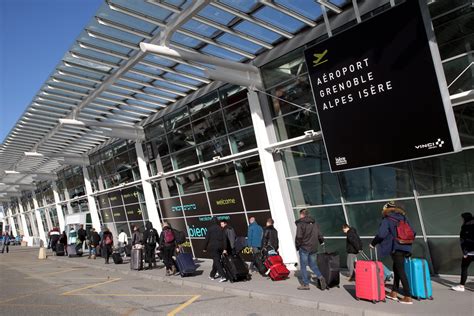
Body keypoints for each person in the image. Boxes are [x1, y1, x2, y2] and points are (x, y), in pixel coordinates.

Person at [370, 201, 415, 304]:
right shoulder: (404, 218)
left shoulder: (387, 219)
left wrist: (373, 243)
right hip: (406, 246)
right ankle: (394, 292)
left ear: (386, 209)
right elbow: (413, 232)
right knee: (397, 269)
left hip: (396, 247)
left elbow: (381, 234)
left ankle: (408, 296)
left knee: (401, 271)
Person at [295, 209, 326, 290]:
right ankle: (320, 277)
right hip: (314, 247)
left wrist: (297, 246)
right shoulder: (315, 223)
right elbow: (319, 234)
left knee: (303, 266)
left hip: (304, 247)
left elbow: (299, 236)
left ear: (302, 215)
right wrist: (321, 241)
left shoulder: (300, 223)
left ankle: (305, 284)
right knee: (312, 264)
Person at [451, 212, 474, 292]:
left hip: (469, 252)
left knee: (464, 267)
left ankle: (461, 286)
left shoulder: (465, 227)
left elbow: (463, 241)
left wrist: (464, 253)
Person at [203, 217, 227, 283]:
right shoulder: (221, 228)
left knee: (216, 261)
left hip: (213, 247)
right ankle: (212, 275)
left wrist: (204, 248)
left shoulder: (210, 229)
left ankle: (223, 276)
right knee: (216, 261)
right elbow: (224, 239)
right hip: (220, 247)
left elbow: (206, 239)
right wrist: (224, 248)